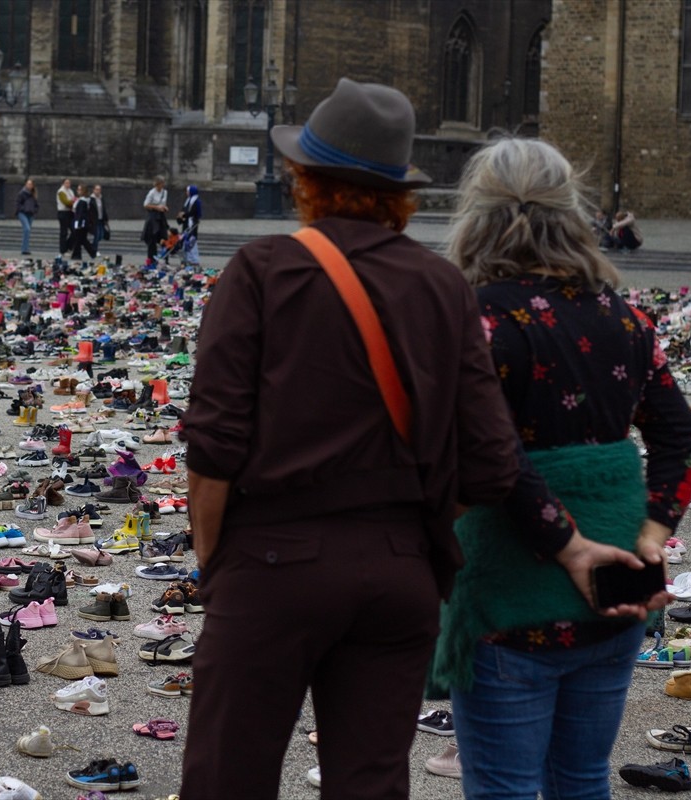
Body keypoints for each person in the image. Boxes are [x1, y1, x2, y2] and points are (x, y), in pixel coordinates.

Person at [178, 78, 522, 800]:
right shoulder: (442, 285)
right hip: (399, 572)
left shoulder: (263, 270)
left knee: (227, 777)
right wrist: (410, 523)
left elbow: (214, 445)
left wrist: (214, 558)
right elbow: (493, 462)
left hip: (271, 561)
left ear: (306, 180)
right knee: (369, 783)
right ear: (399, 190)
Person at [433, 138, 691, 799]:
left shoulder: (478, 319)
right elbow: (682, 438)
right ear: (572, 213)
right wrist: (648, 536)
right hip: (618, 594)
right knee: (581, 780)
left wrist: (563, 543)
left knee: (504, 787)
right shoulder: (627, 318)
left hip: (512, 594)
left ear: (477, 214)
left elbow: (489, 453)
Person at [141, 176, 168, 265]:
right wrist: (156, 207)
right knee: (152, 237)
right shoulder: (152, 192)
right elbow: (145, 204)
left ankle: (164, 258)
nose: (162, 185)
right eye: (161, 184)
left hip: (161, 216)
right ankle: (151, 258)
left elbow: (163, 203)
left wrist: (164, 208)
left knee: (164, 237)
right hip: (153, 216)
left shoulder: (165, 192)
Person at [70, 184, 98, 261]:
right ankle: (79, 254)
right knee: (81, 239)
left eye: (79, 190)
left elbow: (80, 214)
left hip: (81, 223)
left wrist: (78, 224)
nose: (78, 191)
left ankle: (89, 252)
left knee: (81, 239)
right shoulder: (85, 200)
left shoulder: (82, 201)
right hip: (83, 222)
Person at [177, 185, 202, 267]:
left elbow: (194, 213)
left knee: (192, 241)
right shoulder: (188, 200)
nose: (187, 193)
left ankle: (194, 259)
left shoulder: (196, 201)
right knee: (185, 239)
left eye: (188, 191)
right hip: (186, 223)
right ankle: (187, 258)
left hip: (192, 223)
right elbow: (184, 209)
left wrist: (184, 214)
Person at [15, 178, 39, 255]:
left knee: (27, 231)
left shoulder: (33, 194)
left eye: (30, 184)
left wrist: (34, 211)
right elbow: (18, 204)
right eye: (28, 184)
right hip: (22, 213)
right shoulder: (22, 193)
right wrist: (24, 209)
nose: (29, 185)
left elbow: (36, 204)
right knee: (27, 229)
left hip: (30, 214)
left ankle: (26, 247)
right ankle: (24, 249)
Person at [56, 179, 75, 255]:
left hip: (70, 212)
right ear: (63, 183)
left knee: (74, 230)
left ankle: (68, 246)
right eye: (66, 183)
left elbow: (73, 200)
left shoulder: (70, 191)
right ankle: (63, 250)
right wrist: (73, 201)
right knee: (64, 232)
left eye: (69, 183)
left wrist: (73, 201)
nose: (68, 184)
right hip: (63, 212)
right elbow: (66, 202)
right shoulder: (61, 192)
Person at [89, 184, 109, 253]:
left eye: (99, 189)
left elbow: (103, 209)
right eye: (97, 189)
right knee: (97, 234)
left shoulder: (101, 198)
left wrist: (106, 218)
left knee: (101, 234)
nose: (98, 191)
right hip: (94, 220)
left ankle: (92, 246)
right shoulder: (91, 199)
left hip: (101, 218)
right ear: (94, 190)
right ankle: (94, 249)